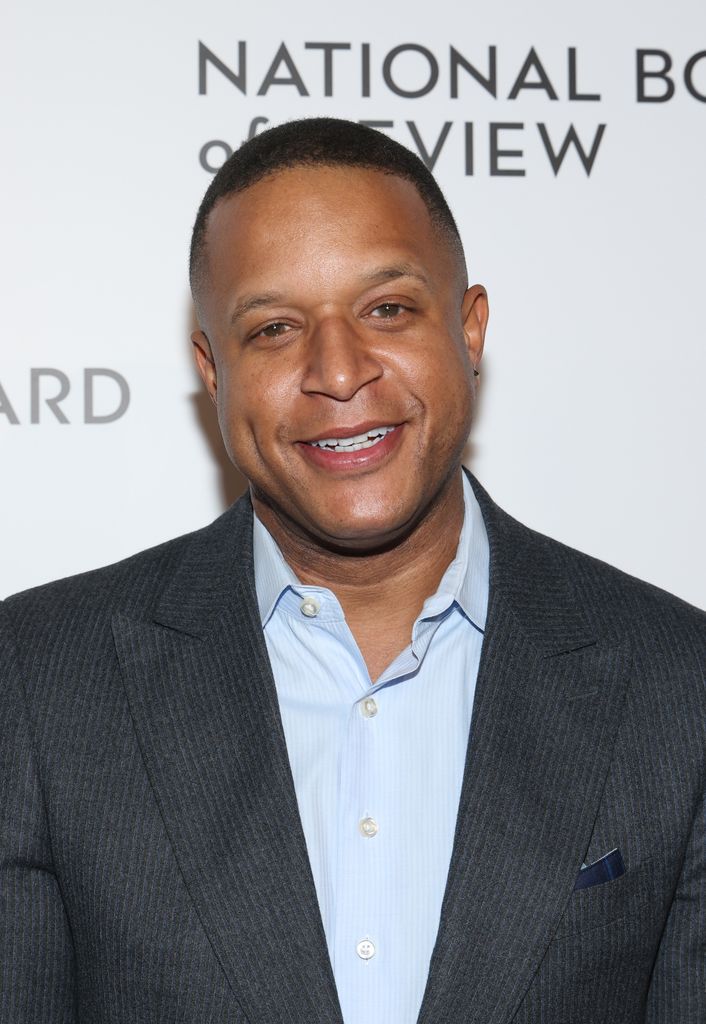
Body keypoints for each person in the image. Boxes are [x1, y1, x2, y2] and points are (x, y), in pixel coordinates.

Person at [1, 117, 704, 1024]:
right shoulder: (35, 681)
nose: (337, 372)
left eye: (387, 310)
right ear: (212, 369)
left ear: (471, 326)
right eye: (275, 327)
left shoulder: (677, 684)